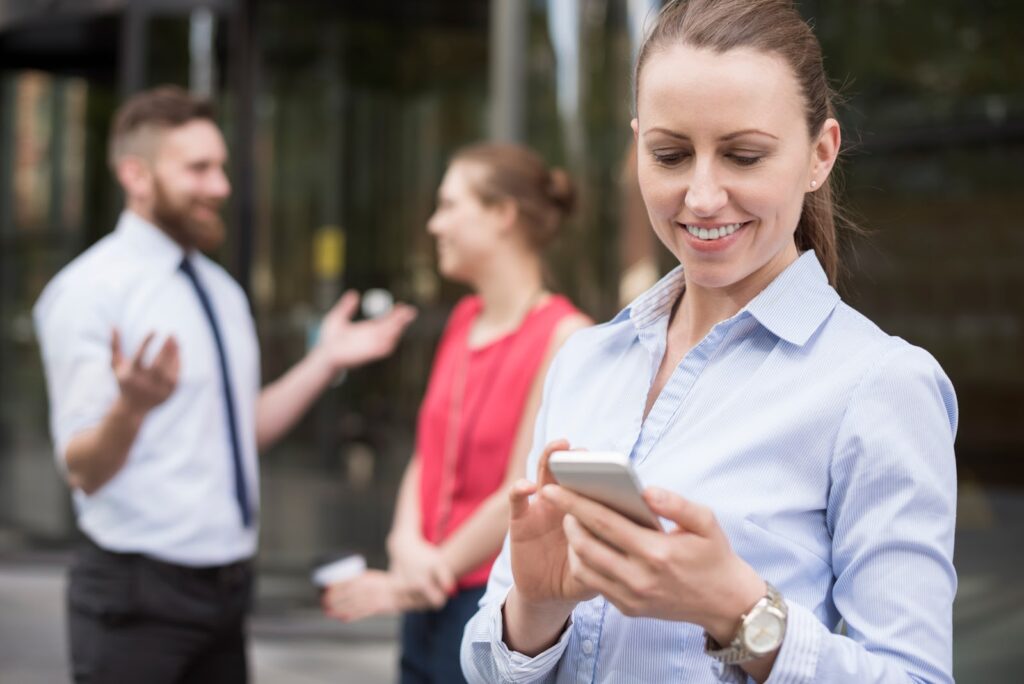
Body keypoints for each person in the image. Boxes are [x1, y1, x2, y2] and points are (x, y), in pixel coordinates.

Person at [461, 1, 958, 683]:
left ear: (821, 154)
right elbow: (487, 664)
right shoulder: (584, 361)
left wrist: (739, 612)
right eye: (669, 154)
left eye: (743, 155)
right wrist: (538, 608)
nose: (700, 196)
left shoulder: (880, 387)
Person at [33, 85, 417, 684]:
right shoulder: (88, 293)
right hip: (136, 600)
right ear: (135, 174)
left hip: (226, 593)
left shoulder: (221, 291)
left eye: (221, 167)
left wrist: (324, 361)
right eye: (199, 169)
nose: (221, 186)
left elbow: (241, 429)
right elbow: (83, 467)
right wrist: (132, 409)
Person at [323, 143, 591, 683]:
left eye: (449, 205)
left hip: (491, 607)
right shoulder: (463, 321)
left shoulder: (565, 335)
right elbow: (428, 453)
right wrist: (404, 545)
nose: (434, 223)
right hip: (426, 593)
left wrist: (423, 574)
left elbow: (523, 488)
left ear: (502, 216)